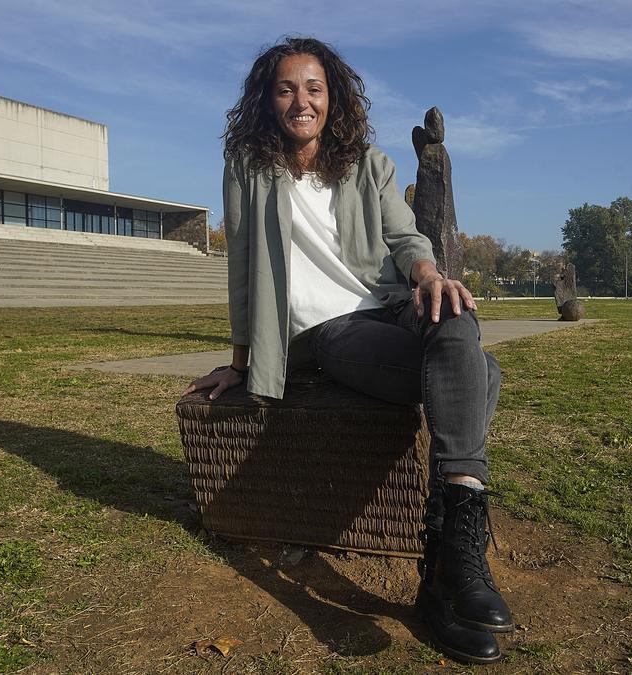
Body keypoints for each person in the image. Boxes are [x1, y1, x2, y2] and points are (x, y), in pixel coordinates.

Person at [182, 36, 512, 664]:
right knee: (481, 371)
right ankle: (448, 573)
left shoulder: (369, 163)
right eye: (286, 88)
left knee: (457, 319)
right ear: (266, 98)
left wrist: (429, 278)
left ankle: (453, 552)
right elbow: (243, 269)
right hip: (327, 333)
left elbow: (405, 236)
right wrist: (242, 360)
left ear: (333, 98)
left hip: (386, 304)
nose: (300, 101)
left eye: (313, 88)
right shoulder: (249, 167)